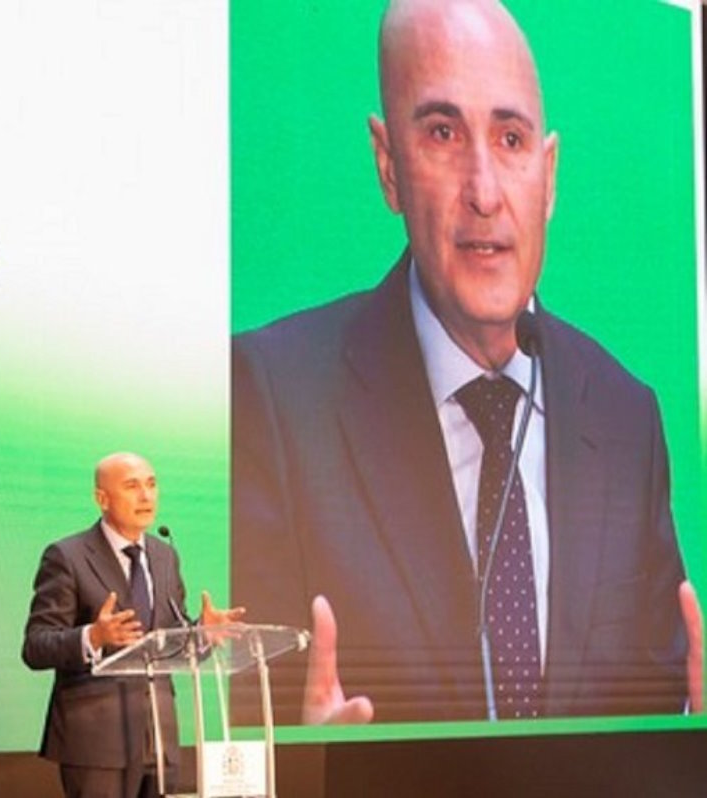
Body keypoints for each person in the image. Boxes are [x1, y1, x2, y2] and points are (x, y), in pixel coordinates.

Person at [230, 0, 703, 725]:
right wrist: (304, 757)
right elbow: (238, 711)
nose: (485, 193)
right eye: (443, 133)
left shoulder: (625, 414)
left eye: (510, 139)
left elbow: (659, 695)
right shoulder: (275, 398)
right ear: (388, 166)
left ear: (548, 175)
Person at [23, 452, 244, 798]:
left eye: (152, 485)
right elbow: (36, 646)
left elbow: (168, 642)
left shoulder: (164, 555)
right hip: (96, 743)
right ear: (102, 498)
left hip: (160, 738)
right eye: (132, 486)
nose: (146, 495)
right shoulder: (68, 556)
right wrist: (92, 636)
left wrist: (201, 633)